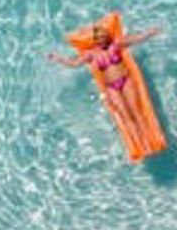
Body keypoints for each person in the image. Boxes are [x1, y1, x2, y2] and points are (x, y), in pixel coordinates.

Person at [50, 20, 163, 154]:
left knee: (137, 113)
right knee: (126, 116)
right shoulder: (90, 54)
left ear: (107, 37)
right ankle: (140, 146)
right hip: (111, 87)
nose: (101, 41)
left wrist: (151, 32)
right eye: (98, 39)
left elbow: (137, 39)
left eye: (103, 37)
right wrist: (58, 59)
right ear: (95, 40)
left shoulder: (116, 44)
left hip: (126, 81)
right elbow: (74, 64)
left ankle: (151, 142)